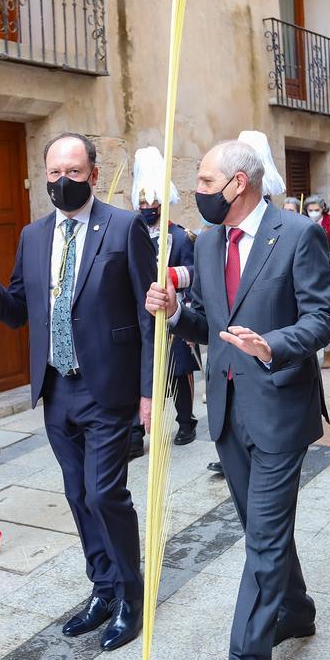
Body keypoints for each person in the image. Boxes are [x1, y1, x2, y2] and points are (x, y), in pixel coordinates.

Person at [146, 140, 330, 660]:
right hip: (227, 411)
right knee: (264, 529)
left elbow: (323, 318)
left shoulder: (297, 234)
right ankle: (296, 610)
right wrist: (177, 312)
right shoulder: (208, 244)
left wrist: (271, 345)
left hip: (280, 407)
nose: (197, 191)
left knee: (263, 539)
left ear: (239, 183)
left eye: (206, 182)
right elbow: (212, 323)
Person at [0, 133, 153, 652]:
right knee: (75, 493)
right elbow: (20, 308)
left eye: (72, 171)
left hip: (107, 387)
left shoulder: (125, 227)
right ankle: (103, 586)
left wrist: (149, 391)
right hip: (55, 389)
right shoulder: (33, 235)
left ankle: (132, 595)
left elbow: (145, 312)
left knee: (104, 493)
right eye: (53, 173)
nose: (62, 181)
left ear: (92, 172)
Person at [127, 147, 201, 456]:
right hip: (139, 313)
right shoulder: (130, 232)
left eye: (152, 201)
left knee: (178, 370)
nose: (147, 206)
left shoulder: (181, 236)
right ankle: (135, 431)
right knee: (137, 371)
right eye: (142, 201)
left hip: (173, 311)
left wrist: (170, 279)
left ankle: (186, 420)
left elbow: (195, 275)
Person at [304, 194, 330, 368]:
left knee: (327, 310)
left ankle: (328, 351)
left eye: (316, 210)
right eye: (310, 210)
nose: (313, 213)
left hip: (326, 267)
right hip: (306, 269)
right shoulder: (302, 224)